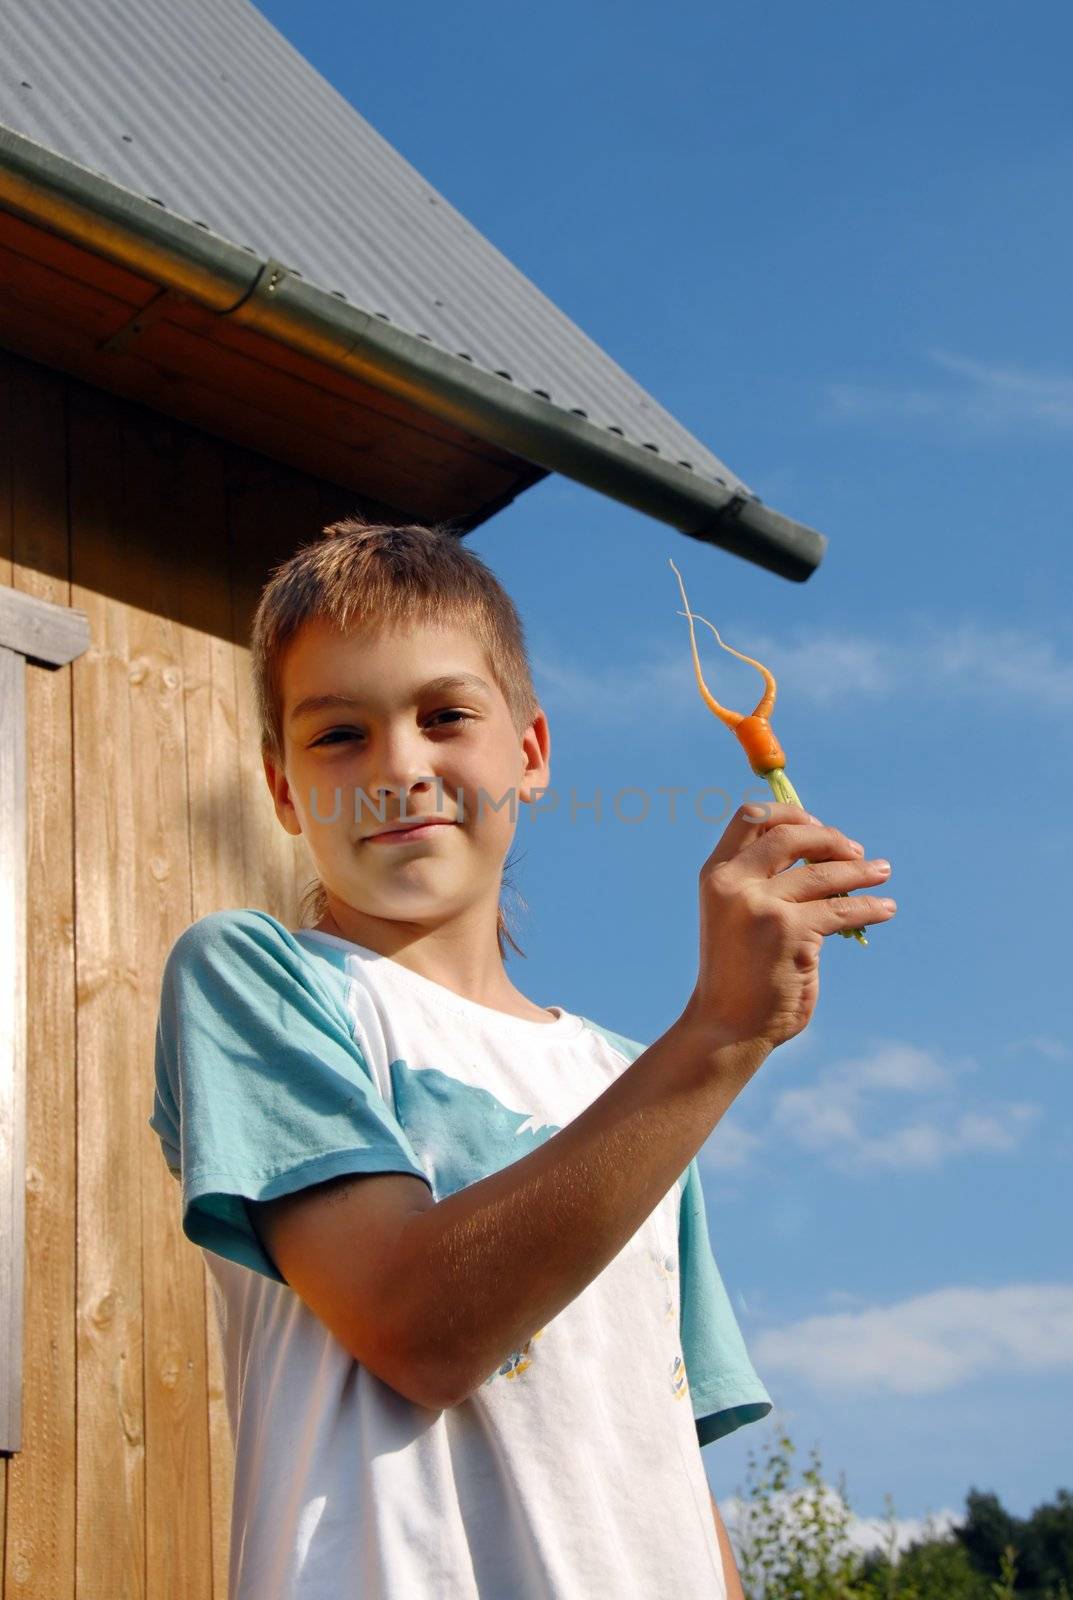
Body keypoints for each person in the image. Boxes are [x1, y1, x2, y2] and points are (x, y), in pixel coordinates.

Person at [149, 516, 897, 1600]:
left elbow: (659, 1455)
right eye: (337, 736)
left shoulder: (623, 1081)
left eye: (445, 715)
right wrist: (721, 1035)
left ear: (531, 753)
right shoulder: (254, 978)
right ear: (279, 788)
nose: (398, 766)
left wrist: (696, 1052)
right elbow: (415, 1332)